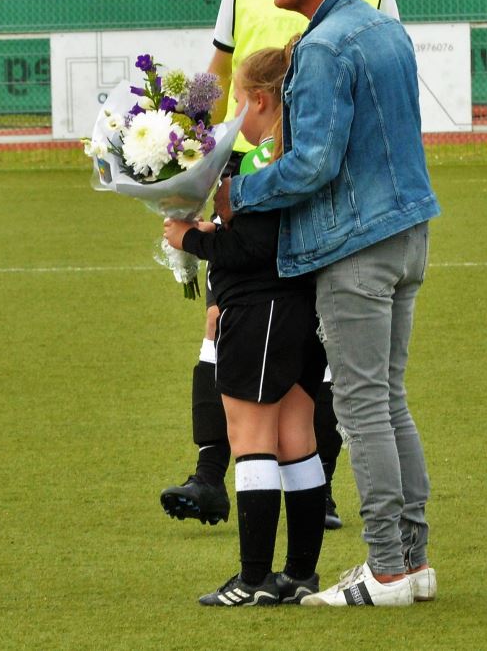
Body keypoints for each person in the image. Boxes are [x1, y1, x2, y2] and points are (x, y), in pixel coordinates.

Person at [161, 0, 398, 530]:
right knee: (221, 319)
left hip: (319, 172)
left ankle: (314, 483)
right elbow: (217, 66)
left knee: (318, 325)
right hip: (246, 171)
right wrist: (181, 142)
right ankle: (209, 471)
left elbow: (382, 76)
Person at [216, 0, 440, 607]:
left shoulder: (321, 48)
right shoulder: (383, 29)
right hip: (407, 234)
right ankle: (411, 560)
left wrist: (235, 192)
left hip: (355, 247)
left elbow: (311, 164)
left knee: (362, 407)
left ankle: (385, 569)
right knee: (387, 399)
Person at [165, 43, 328, 606]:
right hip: (303, 311)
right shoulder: (303, 151)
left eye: (238, 99)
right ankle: (300, 576)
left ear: (261, 100)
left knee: (253, 440)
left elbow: (255, 247)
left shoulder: (264, 161)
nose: (234, 111)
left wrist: (188, 238)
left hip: (260, 312)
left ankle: (254, 581)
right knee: (295, 441)